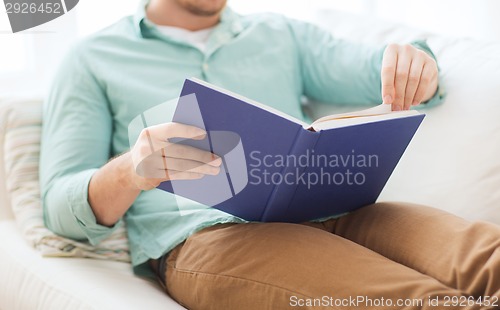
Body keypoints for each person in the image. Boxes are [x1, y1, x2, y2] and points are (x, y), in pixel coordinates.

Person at [40, 0, 500, 309]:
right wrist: (127, 173)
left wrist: (416, 62)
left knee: (488, 260)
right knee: (422, 301)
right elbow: (59, 206)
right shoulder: (92, 57)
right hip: (209, 238)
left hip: (338, 209)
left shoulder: (279, 34)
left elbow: (381, 71)